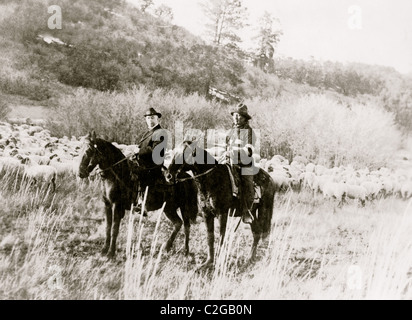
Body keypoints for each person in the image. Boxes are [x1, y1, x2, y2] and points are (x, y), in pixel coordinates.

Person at [225, 103, 257, 224]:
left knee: (247, 183)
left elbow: (248, 151)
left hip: (245, 164)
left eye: (239, 116)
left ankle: (246, 211)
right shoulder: (230, 132)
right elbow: (225, 147)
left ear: (245, 118)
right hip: (229, 162)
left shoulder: (249, 132)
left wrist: (233, 152)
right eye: (235, 115)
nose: (236, 118)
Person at [132, 107, 168, 211]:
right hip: (143, 163)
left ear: (157, 119)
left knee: (140, 174)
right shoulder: (147, 133)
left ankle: (142, 203)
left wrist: (139, 151)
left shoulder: (160, 132)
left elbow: (155, 149)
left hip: (153, 165)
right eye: (148, 118)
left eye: (152, 118)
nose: (150, 120)